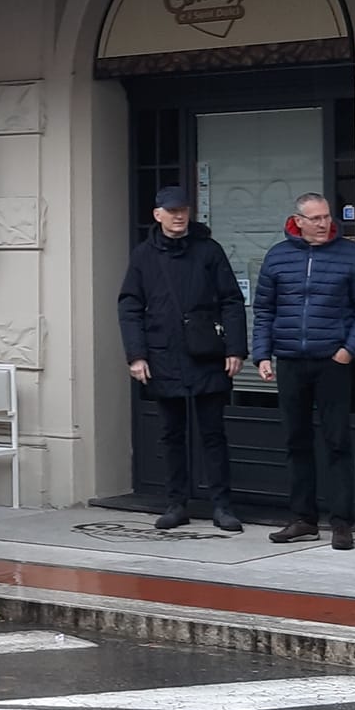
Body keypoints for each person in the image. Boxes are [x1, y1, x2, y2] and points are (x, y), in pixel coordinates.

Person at [252, 193, 355, 550]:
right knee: (296, 441)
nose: (324, 223)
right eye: (316, 218)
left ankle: (342, 522)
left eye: (326, 217)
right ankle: (303, 519)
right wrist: (262, 354)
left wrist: (348, 351)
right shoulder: (278, 256)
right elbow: (264, 310)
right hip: (290, 360)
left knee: (337, 441)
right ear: (298, 221)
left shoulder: (351, 255)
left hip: (332, 362)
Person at [118, 186, 250, 533]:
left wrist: (236, 349)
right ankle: (176, 504)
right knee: (171, 435)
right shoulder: (143, 256)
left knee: (213, 433)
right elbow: (130, 307)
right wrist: (136, 355)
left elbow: (232, 300)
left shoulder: (208, 250)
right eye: (172, 210)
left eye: (183, 210)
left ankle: (222, 506)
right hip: (162, 355)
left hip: (207, 354)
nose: (179, 216)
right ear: (157, 214)